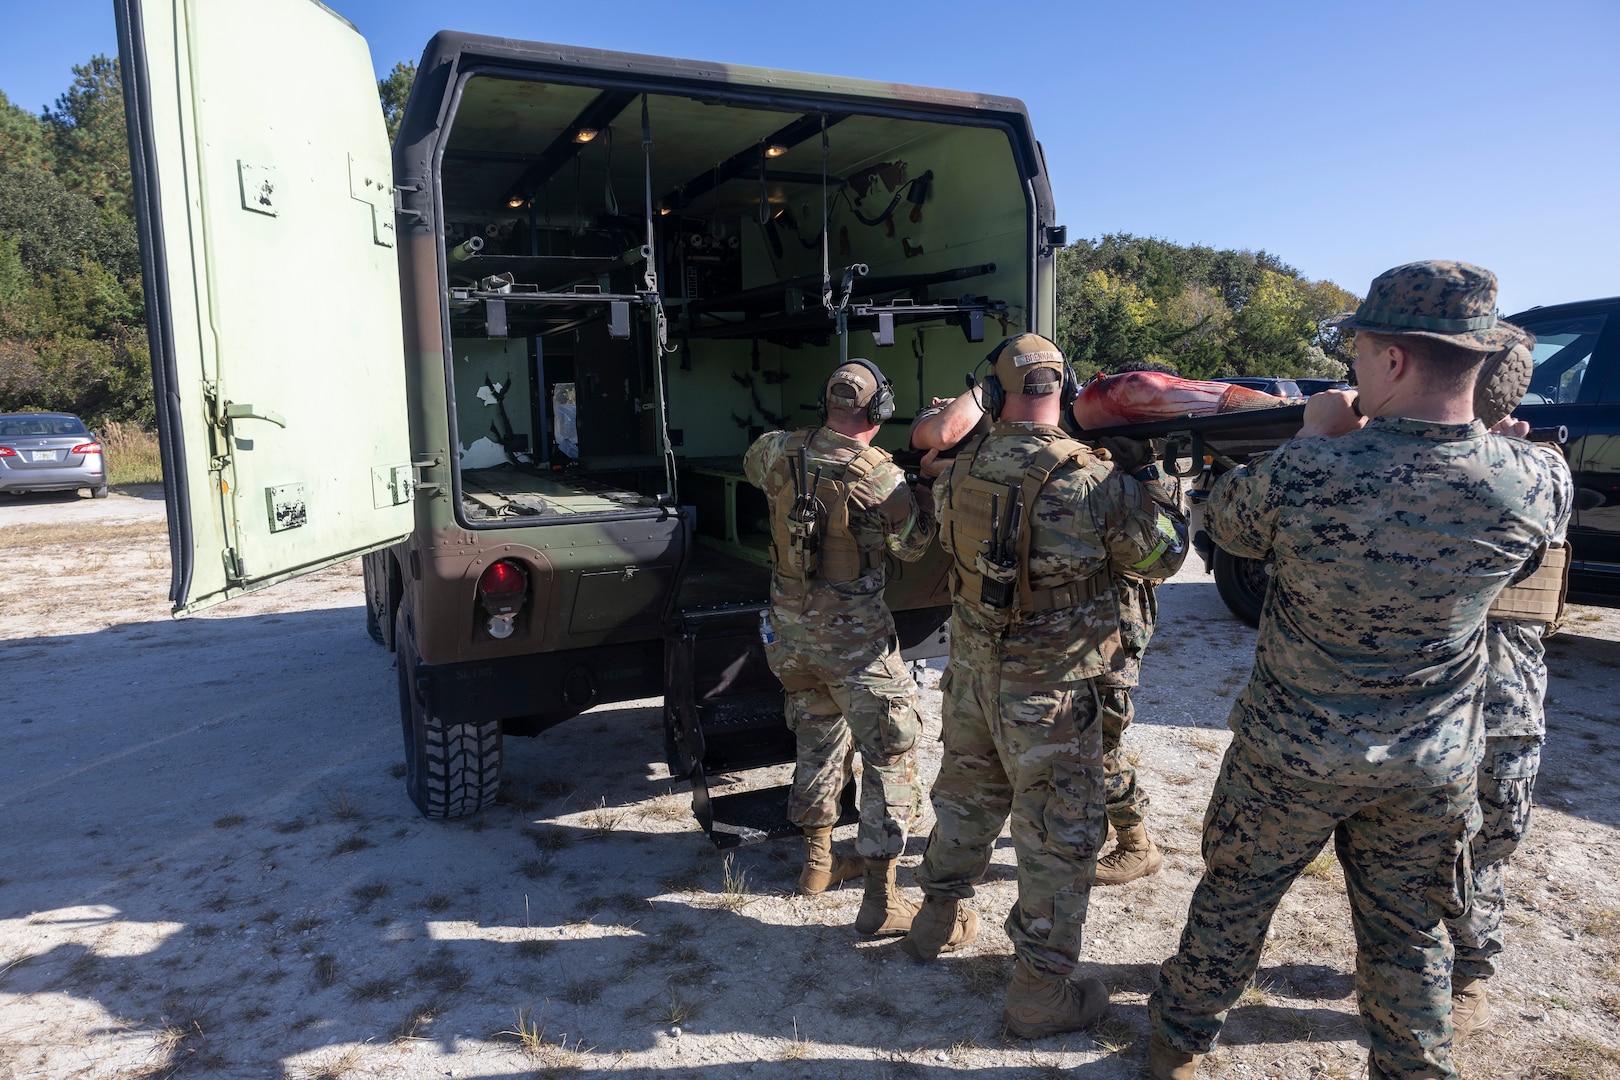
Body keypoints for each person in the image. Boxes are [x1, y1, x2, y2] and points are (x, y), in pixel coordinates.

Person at [1146, 262, 1571, 1080]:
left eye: (1360, 352)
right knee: (1410, 932)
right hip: (1430, 764)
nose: (1351, 370)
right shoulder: (1535, 482)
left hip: (1288, 754)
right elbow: (1522, 562)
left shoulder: (1305, 473)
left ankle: (1176, 1048)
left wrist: (1313, 433)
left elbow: (1225, 528)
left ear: (1396, 361)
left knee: (1235, 897)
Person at [897, 333, 1189, 1038]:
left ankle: (935, 921)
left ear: (995, 395)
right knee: (1058, 838)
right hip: (1054, 694)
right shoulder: (1093, 480)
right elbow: (1165, 556)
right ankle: (1038, 993)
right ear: (1066, 388)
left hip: (973, 675)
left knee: (966, 797)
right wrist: (1156, 479)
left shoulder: (961, 470)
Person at [908, 376, 1177, 888]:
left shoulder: (1100, 467)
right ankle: (1098, 830)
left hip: (1111, 617)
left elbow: (1163, 552)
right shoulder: (1064, 457)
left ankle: (1134, 839)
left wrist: (1145, 475)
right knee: (1074, 749)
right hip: (1063, 631)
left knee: (1102, 741)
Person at [743, 358, 941, 935]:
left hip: (791, 635)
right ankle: (883, 899)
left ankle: (818, 864)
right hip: (855, 645)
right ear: (879, 410)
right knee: (891, 752)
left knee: (817, 737)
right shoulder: (880, 475)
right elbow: (912, 547)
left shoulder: (777, 449)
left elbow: (757, 466)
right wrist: (922, 490)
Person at [1446, 396, 1574, 1039]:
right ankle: (1406, 960)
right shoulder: (1431, 459)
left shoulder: (1539, 471)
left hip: (1503, 699)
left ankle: (1470, 968)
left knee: (1489, 840)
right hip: (1427, 700)